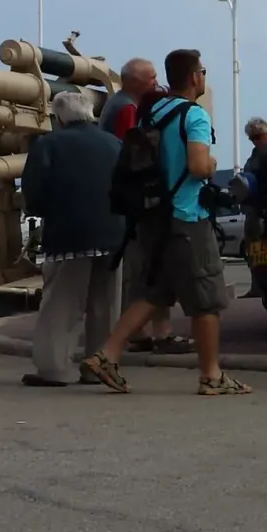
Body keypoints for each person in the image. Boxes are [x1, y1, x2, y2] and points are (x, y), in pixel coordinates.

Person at [82, 49, 251, 395]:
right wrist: (213, 160)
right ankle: (212, 375)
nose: (204, 77)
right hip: (187, 216)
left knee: (156, 291)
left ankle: (106, 354)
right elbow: (199, 167)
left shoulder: (151, 111)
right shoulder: (194, 115)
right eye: (202, 71)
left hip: (153, 215)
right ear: (194, 77)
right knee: (206, 298)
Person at [21, 92, 123, 387]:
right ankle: (98, 364)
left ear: (59, 117)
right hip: (114, 233)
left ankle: (53, 369)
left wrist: (41, 211)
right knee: (105, 304)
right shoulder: (114, 143)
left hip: (69, 235)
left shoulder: (49, 144)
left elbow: (35, 190)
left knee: (63, 303)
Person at [101, 58, 181, 354]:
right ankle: (142, 332)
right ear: (135, 81)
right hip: (139, 201)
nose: (156, 82)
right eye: (151, 77)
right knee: (147, 268)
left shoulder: (118, 104)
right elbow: (132, 153)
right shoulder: (127, 110)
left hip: (125, 197)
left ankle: (141, 331)